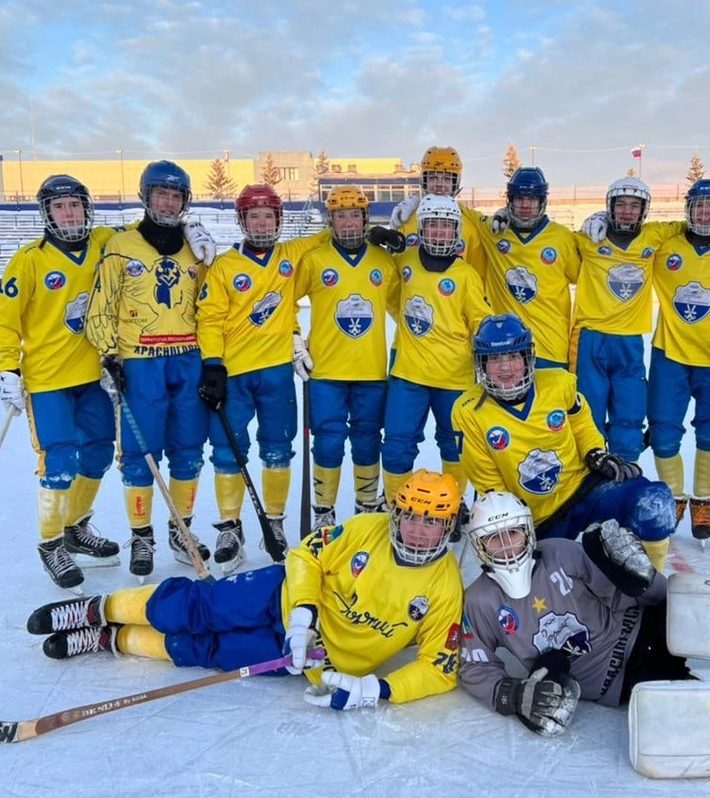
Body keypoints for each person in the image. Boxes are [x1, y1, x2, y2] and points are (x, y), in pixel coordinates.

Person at [24, 470, 465, 711]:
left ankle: (110, 638)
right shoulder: (365, 530)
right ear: (396, 512)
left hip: (310, 659)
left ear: (448, 527)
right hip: (282, 597)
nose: (418, 530)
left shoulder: (445, 587)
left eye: (432, 522)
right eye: (411, 516)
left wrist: (376, 690)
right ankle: (97, 608)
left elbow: (439, 668)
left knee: (206, 651)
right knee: (196, 608)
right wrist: (303, 617)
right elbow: (305, 557)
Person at [451, 313, 677, 568]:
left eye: (513, 356)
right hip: (534, 518)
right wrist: (513, 527)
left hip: (582, 489)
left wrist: (595, 451)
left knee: (653, 503)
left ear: (528, 357)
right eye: (494, 359)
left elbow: (580, 422)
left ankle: (652, 585)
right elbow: (486, 477)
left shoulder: (559, 383)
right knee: (551, 590)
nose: (505, 367)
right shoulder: (468, 411)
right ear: (480, 363)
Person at [458, 491, 690, 735]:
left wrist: (641, 578)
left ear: (527, 531)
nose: (506, 546)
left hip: (644, 630)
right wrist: (512, 695)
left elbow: (650, 597)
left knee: (697, 616)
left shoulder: (560, 552)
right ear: (479, 545)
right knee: (686, 698)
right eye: (494, 538)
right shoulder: (480, 600)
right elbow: (475, 666)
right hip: (614, 682)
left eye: (512, 533)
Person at [0, 175, 121, 589]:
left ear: (87, 209)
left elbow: (144, 237)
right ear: (47, 213)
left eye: (75, 205)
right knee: (59, 462)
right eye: (60, 207)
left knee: (99, 454)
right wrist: (7, 367)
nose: (69, 213)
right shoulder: (29, 260)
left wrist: (187, 227)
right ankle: (50, 544)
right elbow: (3, 321)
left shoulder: (103, 242)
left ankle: (75, 526)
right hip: (47, 382)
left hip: (93, 376)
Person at [85, 160, 211, 578]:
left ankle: (182, 529)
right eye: (162, 194)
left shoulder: (198, 247)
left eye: (177, 196)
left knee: (189, 450)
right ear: (146, 196)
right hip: (140, 360)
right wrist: (108, 354)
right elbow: (100, 305)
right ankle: (142, 535)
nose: (169, 202)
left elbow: (213, 306)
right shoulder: (122, 245)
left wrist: (214, 361)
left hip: (188, 356)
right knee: (140, 453)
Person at [196, 183, 323, 568]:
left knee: (277, 448)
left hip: (276, 373)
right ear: (242, 221)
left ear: (279, 219)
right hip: (234, 373)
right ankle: (230, 526)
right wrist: (213, 364)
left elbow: (336, 233)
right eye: (255, 216)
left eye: (269, 215)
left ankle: (275, 520)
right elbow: (210, 318)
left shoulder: (291, 255)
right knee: (227, 450)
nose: (263, 223)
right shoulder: (225, 266)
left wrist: (396, 228)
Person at [646, 179, 710, 545]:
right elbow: (631, 241)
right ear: (688, 209)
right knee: (663, 433)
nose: (706, 213)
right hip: (670, 354)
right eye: (700, 205)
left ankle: (702, 501)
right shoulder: (667, 247)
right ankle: (674, 497)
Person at [293, 185, 399, 529]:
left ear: (366, 219)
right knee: (328, 441)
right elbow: (286, 303)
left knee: (368, 440)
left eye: (355, 215)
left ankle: (366, 504)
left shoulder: (383, 262)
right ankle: (324, 510)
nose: (349, 223)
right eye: (341, 216)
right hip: (326, 370)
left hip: (370, 371)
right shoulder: (315, 259)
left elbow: (402, 307)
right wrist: (295, 341)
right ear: (331, 221)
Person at [380, 195, 491, 510]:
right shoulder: (404, 262)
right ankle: (396, 507)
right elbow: (388, 297)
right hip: (408, 374)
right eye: (433, 226)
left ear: (455, 231)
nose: (440, 233)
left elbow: (480, 322)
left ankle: (451, 507)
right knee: (397, 446)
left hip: (455, 377)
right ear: (421, 229)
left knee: (455, 446)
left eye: (446, 226)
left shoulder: (466, 274)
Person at [571, 177, 663, 461]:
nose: (626, 211)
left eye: (634, 205)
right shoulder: (589, 238)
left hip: (629, 340)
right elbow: (547, 239)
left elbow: (692, 228)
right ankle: (590, 483)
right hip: (591, 337)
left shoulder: (655, 236)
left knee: (630, 413)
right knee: (589, 414)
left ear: (644, 210)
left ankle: (626, 478)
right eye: (620, 204)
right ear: (609, 207)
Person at [479, 167, 583, 369]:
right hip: (506, 349)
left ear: (542, 201)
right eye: (519, 198)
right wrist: (413, 204)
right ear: (509, 200)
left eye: (533, 199)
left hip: (551, 347)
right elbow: (456, 213)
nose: (526, 205)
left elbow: (588, 275)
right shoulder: (493, 232)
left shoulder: (562, 237)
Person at [387, 145, 489, 273]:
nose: (439, 184)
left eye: (446, 178)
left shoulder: (470, 227)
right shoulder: (406, 219)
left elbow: (477, 276)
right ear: (424, 180)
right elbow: (392, 270)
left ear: (455, 182)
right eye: (433, 178)